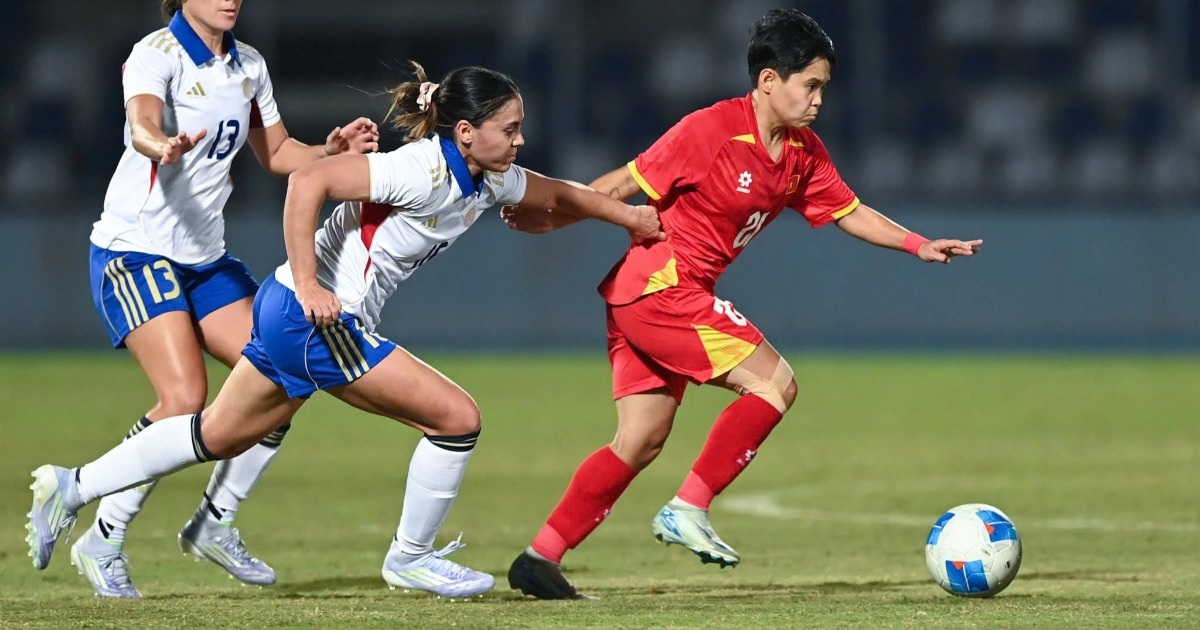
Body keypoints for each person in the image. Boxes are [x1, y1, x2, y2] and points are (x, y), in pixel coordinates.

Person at [27, 61, 665, 599]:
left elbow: (559, 194)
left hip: (287, 314)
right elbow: (309, 180)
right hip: (314, 319)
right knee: (457, 419)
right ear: (467, 132)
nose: (521, 139)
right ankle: (410, 557)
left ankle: (73, 486)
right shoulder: (419, 169)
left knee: (214, 435)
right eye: (511, 128)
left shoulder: (488, 175)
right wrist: (310, 284)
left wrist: (629, 219)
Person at [502, 9, 983, 599]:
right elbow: (618, 187)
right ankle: (688, 507)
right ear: (769, 81)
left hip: (645, 296)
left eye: (823, 88)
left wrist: (917, 244)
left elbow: (849, 210)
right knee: (775, 384)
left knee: (640, 439)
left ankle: (540, 557)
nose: (818, 100)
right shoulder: (710, 131)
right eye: (810, 85)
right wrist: (550, 220)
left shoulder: (803, 153)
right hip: (662, 288)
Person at [68, 0, 379, 598]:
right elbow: (141, 122)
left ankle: (215, 520)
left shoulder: (249, 64)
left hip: (204, 259)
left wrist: (329, 151)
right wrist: (159, 144)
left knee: (287, 371)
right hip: (135, 251)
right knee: (184, 397)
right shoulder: (156, 53)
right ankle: (103, 536)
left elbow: (277, 154)